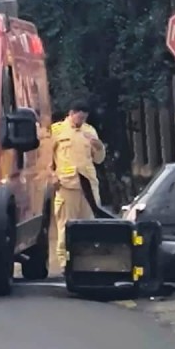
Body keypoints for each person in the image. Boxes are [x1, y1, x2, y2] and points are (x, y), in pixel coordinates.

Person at [51, 99, 106, 271]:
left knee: (89, 223)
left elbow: (99, 159)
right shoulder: (57, 130)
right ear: (71, 113)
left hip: (88, 184)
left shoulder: (90, 131)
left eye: (84, 118)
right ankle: (64, 263)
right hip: (67, 183)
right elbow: (45, 156)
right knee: (65, 225)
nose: (80, 121)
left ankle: (87, 261)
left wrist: (98, 146)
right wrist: (51, 175)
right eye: (78, 118)